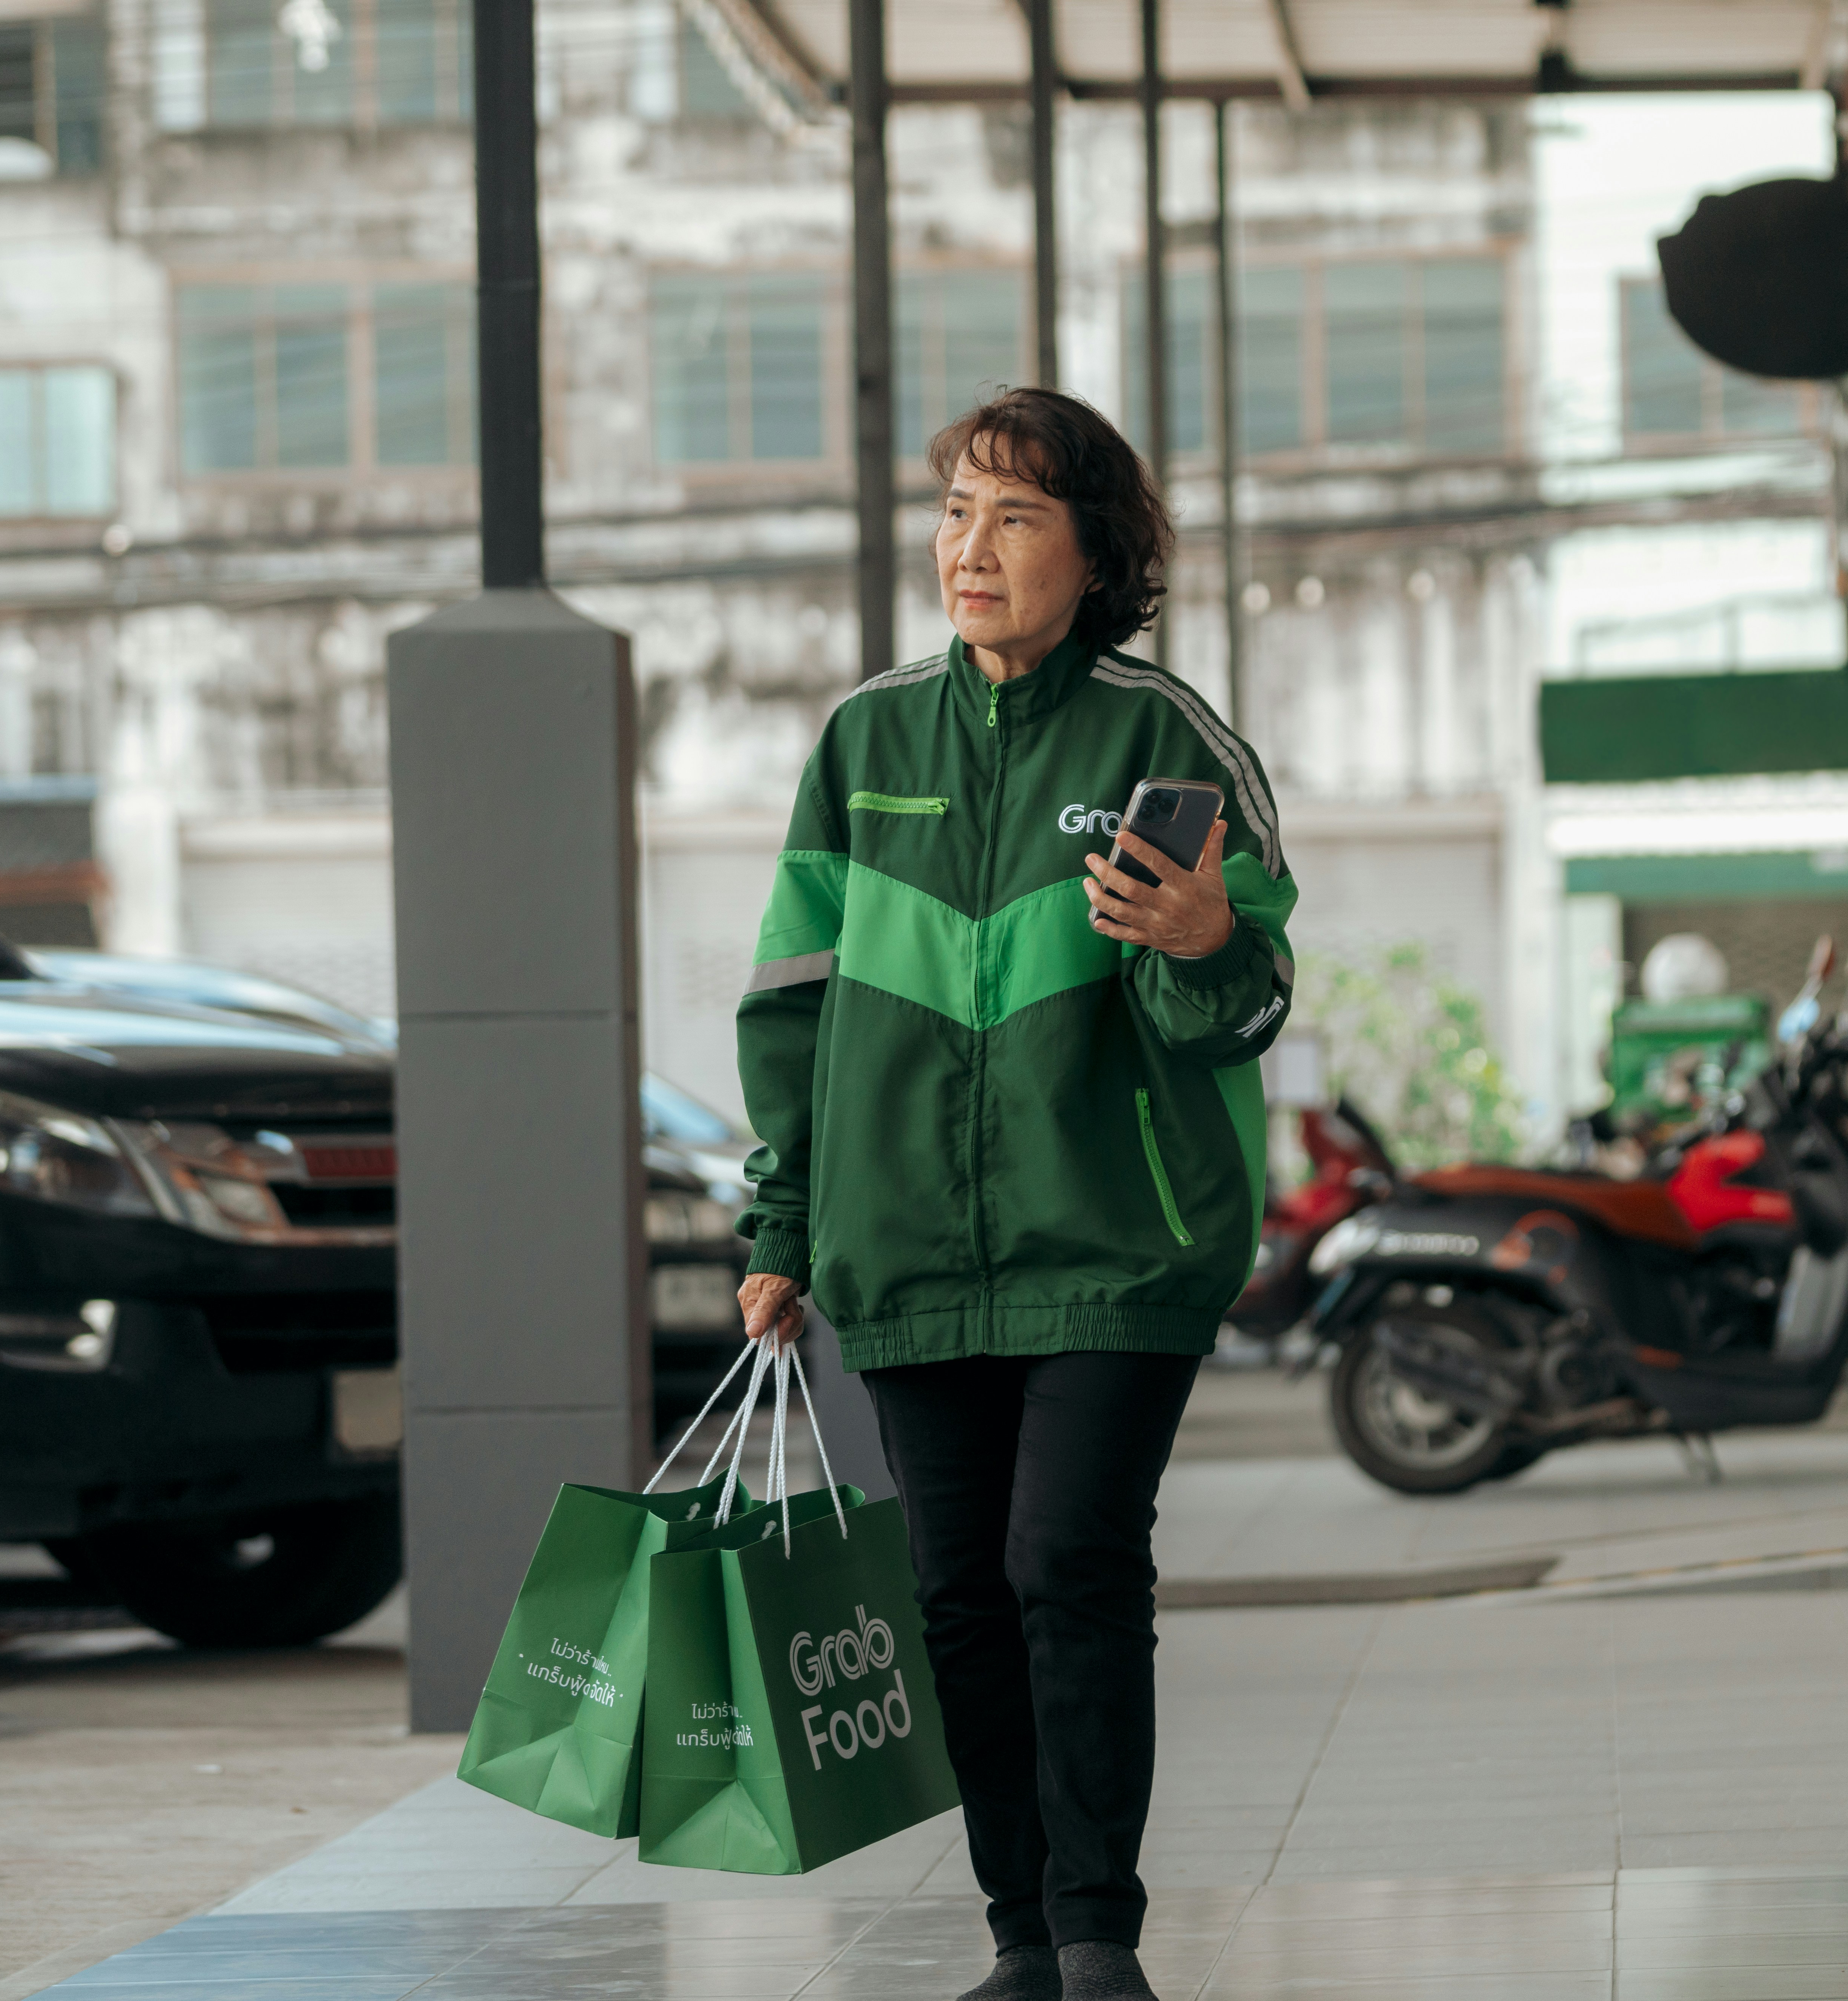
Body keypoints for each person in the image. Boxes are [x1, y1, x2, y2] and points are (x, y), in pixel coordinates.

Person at [731, 387, 1298, 2001]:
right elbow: (791, 1002)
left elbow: (1242, 1005)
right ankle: (1018, 1938)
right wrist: (781, 1229)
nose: (968, 548)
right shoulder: (864, 743)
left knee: (1068, 1559)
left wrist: (1203, 944)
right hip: (906, 1249)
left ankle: (1096, 1930)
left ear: (1096, 552)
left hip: (1116, 1242)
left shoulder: (1163, 739)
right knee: (955, 1596)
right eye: (957, 511)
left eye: (1015, 516)